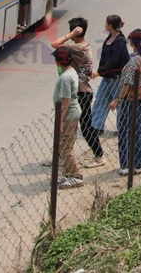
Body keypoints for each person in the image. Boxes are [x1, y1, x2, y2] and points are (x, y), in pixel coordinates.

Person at [51, 17, 105, 168]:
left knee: (84, 128)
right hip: (82, 91)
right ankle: (61, 156)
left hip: (81, 92)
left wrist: (70, 35)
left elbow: (55, 44)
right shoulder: (84, 46)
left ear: (75, 32)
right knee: (69, 126)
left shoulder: (78, 48)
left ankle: (99, 155)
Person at [109, 28, 141, 174]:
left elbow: (127, 84)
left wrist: (117, 100)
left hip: (130, 100)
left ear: (132, 42)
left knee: (127, 132)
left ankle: (128, 165)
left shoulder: (133, 61)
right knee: (139, 129)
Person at [90, 15, 130, 140]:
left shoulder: (120, 41)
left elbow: (114, 59)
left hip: (116, 77)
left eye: (106, 22)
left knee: (119, 102)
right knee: (101, 99)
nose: (105, 24)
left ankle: (124, 128)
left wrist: (99, 71)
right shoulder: (110, 37)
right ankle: (96, 126)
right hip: (107, 75)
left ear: (110, 25)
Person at [50, 47, 84, 189]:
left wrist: (60, 120)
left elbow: (65, 101)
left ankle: (76, 176)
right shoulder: (71, 71)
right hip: (72, 113)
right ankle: (68, 173)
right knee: (64, 145)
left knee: (65, 147)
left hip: (69, 115)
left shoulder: (65, 78)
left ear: (58, 62)